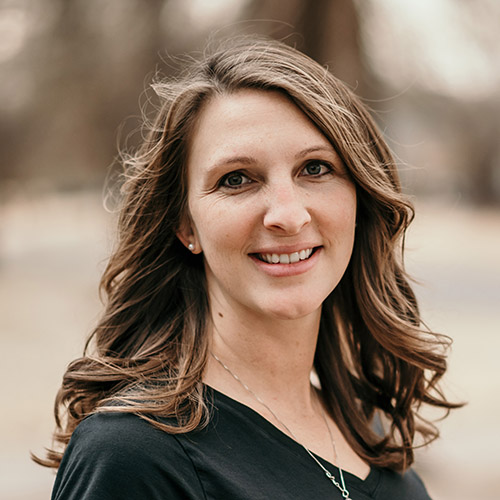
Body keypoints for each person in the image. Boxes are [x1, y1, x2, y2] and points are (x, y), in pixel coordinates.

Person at [37, 35, 459, 499]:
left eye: (315, 169)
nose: (288, 214)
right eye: (236, 179)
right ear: (186, 225)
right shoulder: (133, 454)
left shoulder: (371, 434)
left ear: (360, 195)